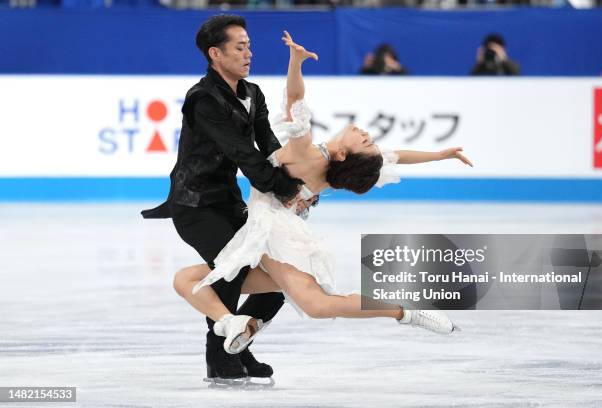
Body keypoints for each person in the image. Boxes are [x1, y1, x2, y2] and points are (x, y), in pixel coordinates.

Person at [173, 32, 473, 362]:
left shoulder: (306, 156)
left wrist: (295, 63)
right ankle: (236, 323)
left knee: (316, 305)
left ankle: (405, 312)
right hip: (266, 232)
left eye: (365, 141)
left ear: (344, 154)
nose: (366, 134)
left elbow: (294, 101)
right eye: (369, 139)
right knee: (187, 279)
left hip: (273, 234)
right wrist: (438, 155)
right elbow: (394, 156)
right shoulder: (332, 170)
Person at [141, 15, 307, 381]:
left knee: (280, 280)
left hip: (229, 201)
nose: (249, 53)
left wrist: (298, 184)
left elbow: (269, 148)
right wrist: (284, 189)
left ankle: (240, 343)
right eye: (239, 47)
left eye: (249, 46)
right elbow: (241, 152)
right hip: (194, 203)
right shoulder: (202, 99)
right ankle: (218, 357)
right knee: (231, 271)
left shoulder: (253, 93)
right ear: (216, 54)